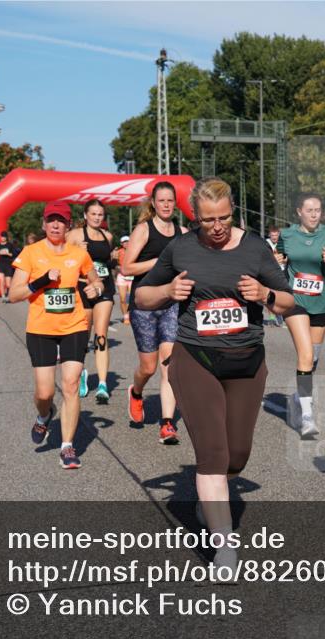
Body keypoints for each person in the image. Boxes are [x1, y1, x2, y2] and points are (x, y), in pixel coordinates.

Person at [136, 177, 293, 572]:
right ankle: (224, 548)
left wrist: (266, 296)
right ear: (196, 217)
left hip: (246, 361)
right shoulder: (182, 247)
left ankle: (213, 502)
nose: (218, 226)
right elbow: (141, 296)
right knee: (213, 453)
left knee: (237, 456)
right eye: (208, 221)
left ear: (233, 209)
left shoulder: (256, 247)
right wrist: (168, 291)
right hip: (196, 359)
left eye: (224, 217)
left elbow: (290, 301)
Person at [8, 201, 104, 470]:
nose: (55, 225)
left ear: (68, 225)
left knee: (71, 385)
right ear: (43, 224)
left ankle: (67, 446)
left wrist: (96, 287)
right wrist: (41, 281)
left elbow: (96, 279)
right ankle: (44, 415)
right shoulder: (30, 253)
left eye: (60, 220)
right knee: (45, 392)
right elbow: (13, 294)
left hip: (73, 326)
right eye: (51, 220)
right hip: (41, 330)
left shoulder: (78, 254)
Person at [275, 193, 325, 438]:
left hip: (321, 302)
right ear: (299, 212)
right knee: (305, 355)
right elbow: (280, 257)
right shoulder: (287, 235)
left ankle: (298, 397)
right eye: (309, 210)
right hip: (295, 301)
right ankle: (307, 416)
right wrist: (278, 259)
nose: (314, 214)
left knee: (312, 360)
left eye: (317, 210)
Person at [122, 182, 186, 445]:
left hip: (171, 303)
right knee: (148, 367)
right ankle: (136, 392)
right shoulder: (143, 230)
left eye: (171, 200)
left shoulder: (182, 233)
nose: (167, 205)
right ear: (153, 203)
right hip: (145, 304)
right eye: (162, 201)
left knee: (169, 365)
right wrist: (161, 261)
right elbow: (127, 268)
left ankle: (167, 424)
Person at [67, 200, 116, 404]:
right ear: (86, 215)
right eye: (93, 214)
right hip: (82, 287)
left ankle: (103, 383)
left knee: (101, 333)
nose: (97, 218)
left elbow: (108, 261)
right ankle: (82, 373)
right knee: (84, 335)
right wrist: (77, 250)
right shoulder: (76, 235)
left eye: (100, 214)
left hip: (104, 287)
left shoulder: (108, 236)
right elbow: (64, 260)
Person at [115, 235, 134, 325]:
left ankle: (131, 315)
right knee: (122, 299)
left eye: (128, 241)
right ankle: (126, 317)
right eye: (124, 242)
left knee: (130, 298)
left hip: (132, 277)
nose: (126, 243)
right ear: (121, 244)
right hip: (122, 277)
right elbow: (113, 264)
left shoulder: (135, 251)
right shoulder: (118, 252)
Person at [0, 231, 18, 304]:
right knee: (1, 281)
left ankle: (11, 295)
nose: (3, 238)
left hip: (8, 264)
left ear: (6, 238)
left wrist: (8, 253)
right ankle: (3, 296)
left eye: (4, 237)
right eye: (2, 236)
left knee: (8, 284)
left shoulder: (10, 245)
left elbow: (14, 254)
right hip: (0, 264)